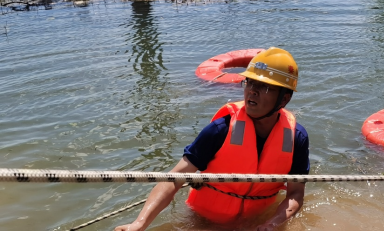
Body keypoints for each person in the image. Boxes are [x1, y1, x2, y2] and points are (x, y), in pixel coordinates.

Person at [116, 47, 309, 231]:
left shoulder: (296, 139)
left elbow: (295, 193)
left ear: (284, 99)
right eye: (249, 82)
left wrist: (273, 223)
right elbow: (173, 180)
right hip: (202, 220)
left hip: (257, 221)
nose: (252, 91)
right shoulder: (220, 130)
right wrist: (139, 224)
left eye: (264, 87)